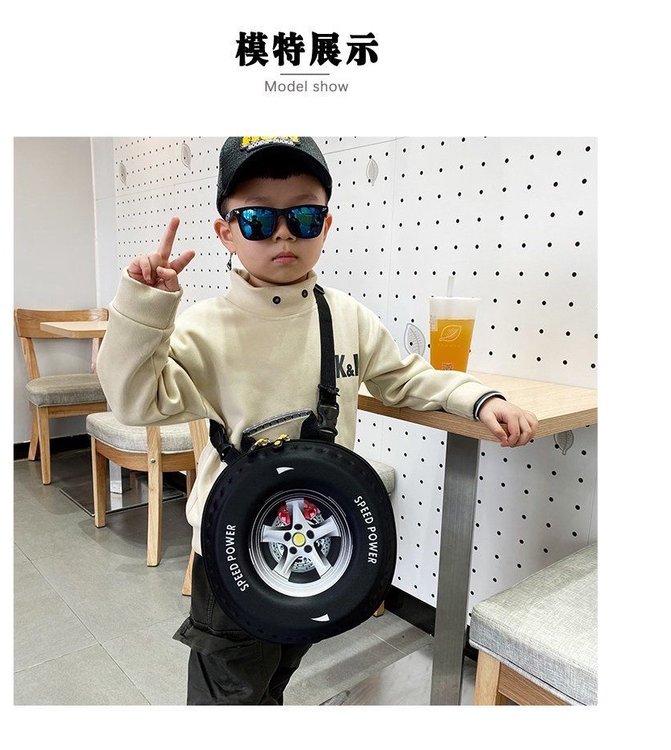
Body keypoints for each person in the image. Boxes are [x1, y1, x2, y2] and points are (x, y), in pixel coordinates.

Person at [96, 136, 538, 705]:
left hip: (321, 540)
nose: (283, 234)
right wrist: (144, 306)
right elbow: (135, 401)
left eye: (303, 216)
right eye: (258, 219)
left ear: (325, 225)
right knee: (228, 690)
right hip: (233, 541)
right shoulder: (202, 328)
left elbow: (404, 377)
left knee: (279, 671)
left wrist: (479, 399)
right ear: (226, 232)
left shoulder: (347, 316)